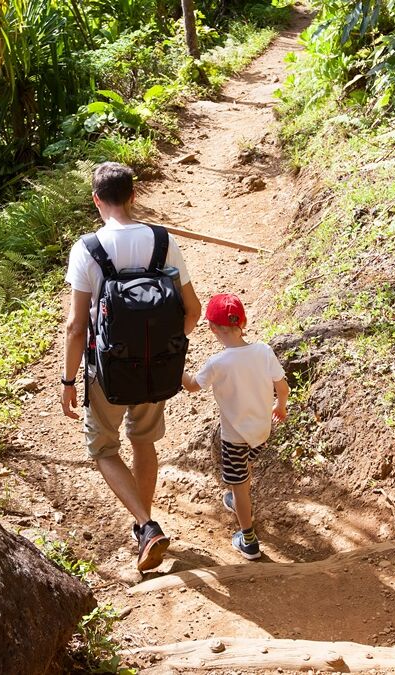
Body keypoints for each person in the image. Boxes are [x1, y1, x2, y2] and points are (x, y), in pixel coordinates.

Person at [61, 162, 202, 572]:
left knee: (104, 448)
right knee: (143, 442)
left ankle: (145, 525)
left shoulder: (87, 249)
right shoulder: (162, 241)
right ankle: (146, 527)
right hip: (155, 368)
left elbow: (75, 325)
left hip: (106, 371)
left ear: (96, 200)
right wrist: (166, 348)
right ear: (133, 195)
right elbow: (191, 310)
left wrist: (69, 380)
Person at [181, 293, 289, 560]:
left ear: (212, 328)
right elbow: (282, 386)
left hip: (234, 438)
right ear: (244, 322)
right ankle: (235, 500)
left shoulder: (218, 363)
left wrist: (175, 367)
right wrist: (281, 406)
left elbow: (193, 386)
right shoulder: (263, 351)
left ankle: (248, 540)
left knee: (240, 486)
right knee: (244, 470)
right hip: (262, 431)